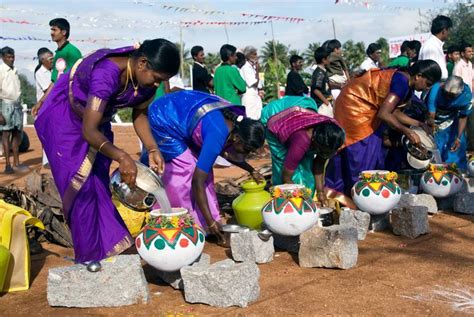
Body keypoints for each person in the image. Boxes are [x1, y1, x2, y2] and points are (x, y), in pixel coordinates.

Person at [34, 39, 180, 263]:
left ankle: (112, 246)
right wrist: (122, 156)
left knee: (99, 183)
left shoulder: (146, 82)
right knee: (80, 187)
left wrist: (152, 147)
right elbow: (89, 131)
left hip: (95, 121)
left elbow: (140, 114)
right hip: (63, 121)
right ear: (142, 63)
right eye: (157, 79)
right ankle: (90, 256)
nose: (156, 86)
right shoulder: (107, 73)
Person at [144, 90, 265, 245]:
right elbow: (196, 182)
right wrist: (210, 223)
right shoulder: (218, 134)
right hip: (164, 118)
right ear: (236, 138)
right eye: (247, 150)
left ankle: (208, 220)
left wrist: (251, 170)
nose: (246, 154)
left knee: (204, 169)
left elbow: (226, 153)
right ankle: (186, 225)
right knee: (186, 169)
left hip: (183, 115)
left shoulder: (233, 127)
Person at [325, 60, 442, 206]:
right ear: (418, 76)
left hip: (367, 108)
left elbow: (394, 112)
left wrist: (419, 124)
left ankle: (367, 198)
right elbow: (384, 114)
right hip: (354, 106)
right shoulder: (401, 82)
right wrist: (407, 132)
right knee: (362, 150)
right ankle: (353, 198)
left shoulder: (406, 83)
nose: (427, 88)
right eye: (428, 83)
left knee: (375, 150)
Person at [260, 96, 345, 204]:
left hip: (300, 110)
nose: (325, 154)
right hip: (275, 116)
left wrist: (320, 192)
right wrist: (305, 201)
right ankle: (281, 204)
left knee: (306, 164)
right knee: (287, 167)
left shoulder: (334, 135)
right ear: (314, 141)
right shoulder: (302, 140)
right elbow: (286, 177)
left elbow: (319, 164)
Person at [426, 76, 472, 169]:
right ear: (443, 86)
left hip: (452, 122)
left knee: (455, 150)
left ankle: (456, 174)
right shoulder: (436, 90)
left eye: (452, 95)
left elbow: (463, 117)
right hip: (434, 122)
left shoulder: (466, 95)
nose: (448, 96)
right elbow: (431, 116)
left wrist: (458, 138)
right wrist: (431, 132)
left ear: (460, 92)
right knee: (434, 151)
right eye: (446, 93)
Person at [0, 47, 24, 174]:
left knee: (16, 133)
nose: (11, 59)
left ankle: (17, 162)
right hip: (6, 104)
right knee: (5, 134)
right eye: (8, 57)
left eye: (12, 56)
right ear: (2, 57)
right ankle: (8, 165)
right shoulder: (1, 70)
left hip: (17, 105)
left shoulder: (15, 70)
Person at [34, 47, 54, 167]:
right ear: (43, 60)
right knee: (46, 134)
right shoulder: (40, 72)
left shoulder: (52, 72)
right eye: (50, 59)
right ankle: (46, 160)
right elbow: (49, 90)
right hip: (44, 108)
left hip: (51, 107)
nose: (53, 60)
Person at [419, 15, 453, 80]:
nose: (449, 33)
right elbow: (429, 73)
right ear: (444, 30)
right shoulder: (430, 46)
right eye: (448, 30)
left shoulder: (437, 45)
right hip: (434, 86)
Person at [49, 18, 82, 83]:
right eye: (51, 30)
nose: (51, 33)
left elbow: (77, 77)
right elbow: (54, 81)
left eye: (54, 30)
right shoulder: (59, 52)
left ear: (64, 32)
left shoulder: (72, 51)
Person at [239, 46, 263, 120]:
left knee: (258, 116)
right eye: (254, 54)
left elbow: (260, 85)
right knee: (250, 118)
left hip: (255, 96)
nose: (256, 56)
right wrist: (258, 70)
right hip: (249, 97)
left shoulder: (253, 67)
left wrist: (258, 70)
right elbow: (254, 83)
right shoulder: (245, 67)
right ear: (248, 56)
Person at [310, 46, 333, 117]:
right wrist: (326, 102)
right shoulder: (320, 73)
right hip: (322, 105)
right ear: (324, 60)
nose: (330, 60)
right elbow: (316, 90)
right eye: (329, 57)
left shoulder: (323, 71)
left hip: (326, 103)